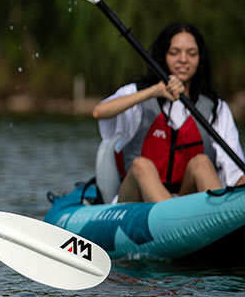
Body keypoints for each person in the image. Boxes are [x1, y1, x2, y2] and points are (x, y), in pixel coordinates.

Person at [91, 21, 245, 203]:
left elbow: (236, 176)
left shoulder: (215, 107)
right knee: (141, 165)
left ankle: (215, 215)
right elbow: (99, 112)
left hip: (187, 203)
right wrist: (154, 91)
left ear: (199, 59)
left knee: (202, 163)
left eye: (192, 54)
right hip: (135, 203)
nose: (183, 59)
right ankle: (171, 217)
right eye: (174, 52)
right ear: (163, 56)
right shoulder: (138, 93)